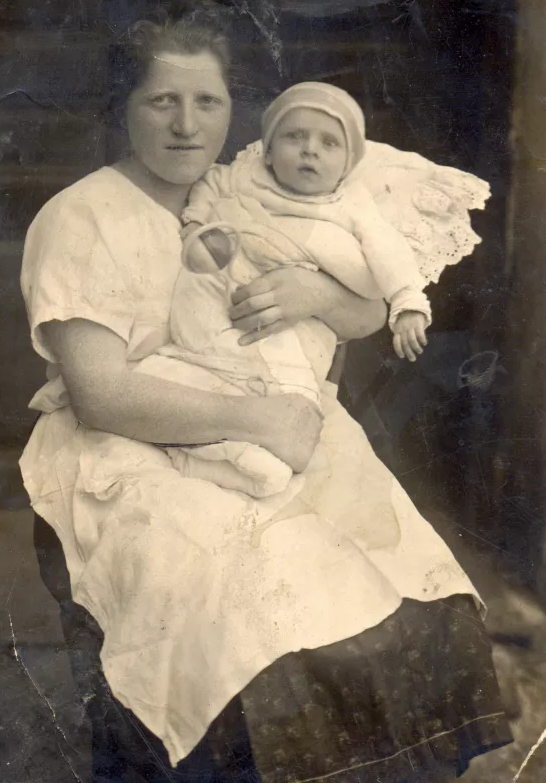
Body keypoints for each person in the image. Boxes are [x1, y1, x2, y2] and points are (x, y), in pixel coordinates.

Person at [20, 3, 511, 783]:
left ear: (233, 111)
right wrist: (256, 422)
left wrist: (318, 290)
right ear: (124, 109)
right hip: (135, 445)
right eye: (161, 102)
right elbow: (104, 395)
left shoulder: (254, 183)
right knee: (268, 613)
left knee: (415, 591)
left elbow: (364, 304)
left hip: (277, 419)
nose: (186, 126)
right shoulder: (84, 215)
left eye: (206, 102)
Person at [131, 80, 486, 498]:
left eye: (329, 143)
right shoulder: (246, 176)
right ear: (267, 147)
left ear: (348, 163)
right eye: (294, 136)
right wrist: (195, 220)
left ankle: (247, 460)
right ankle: (199, 444)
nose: (309, 150)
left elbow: (387, 254)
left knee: (287, 396)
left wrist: (408, 302)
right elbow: (212, 184)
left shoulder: (349, 206)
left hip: (293, 329)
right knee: (184, 365)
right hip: (222, 299)